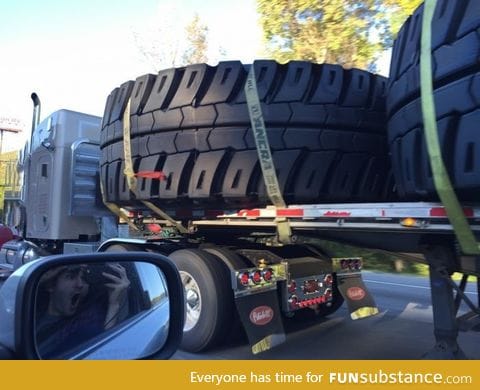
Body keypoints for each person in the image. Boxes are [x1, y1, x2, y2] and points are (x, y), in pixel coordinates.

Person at [35, 263, 130, 359]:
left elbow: (103, 356)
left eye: (84, 278)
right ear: (50, 285)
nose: (80, 284)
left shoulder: (90, 319)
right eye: (71, 277)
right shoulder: (32, 311)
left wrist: (114, 305)